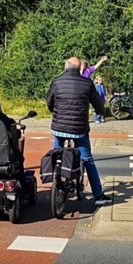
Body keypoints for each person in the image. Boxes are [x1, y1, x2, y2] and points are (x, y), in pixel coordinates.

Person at [47, 57, 109, 205]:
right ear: (79, 68)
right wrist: (100, 112)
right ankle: (98, 196)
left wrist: (56, 113)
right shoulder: (87, 83)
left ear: (65, 67)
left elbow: (49, 103)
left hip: (59, 128)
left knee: (57, 153)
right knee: (87, 159)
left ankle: (56, 180)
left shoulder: (56, 82)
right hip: (79, 130)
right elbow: (98, 105)